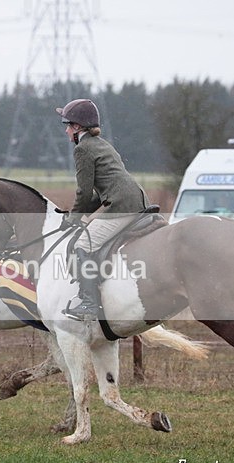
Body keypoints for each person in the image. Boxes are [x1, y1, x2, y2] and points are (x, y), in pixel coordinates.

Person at [56, 98, 150, 320]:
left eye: (68, 126)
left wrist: (73, 219)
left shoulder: (83, 149)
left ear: (78, 128)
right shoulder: (102, 143)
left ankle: (89, 303)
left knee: (82, 244)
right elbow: (99, 193)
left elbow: (84, 192)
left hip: (121, 205)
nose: (67, 131)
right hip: (138, 198)